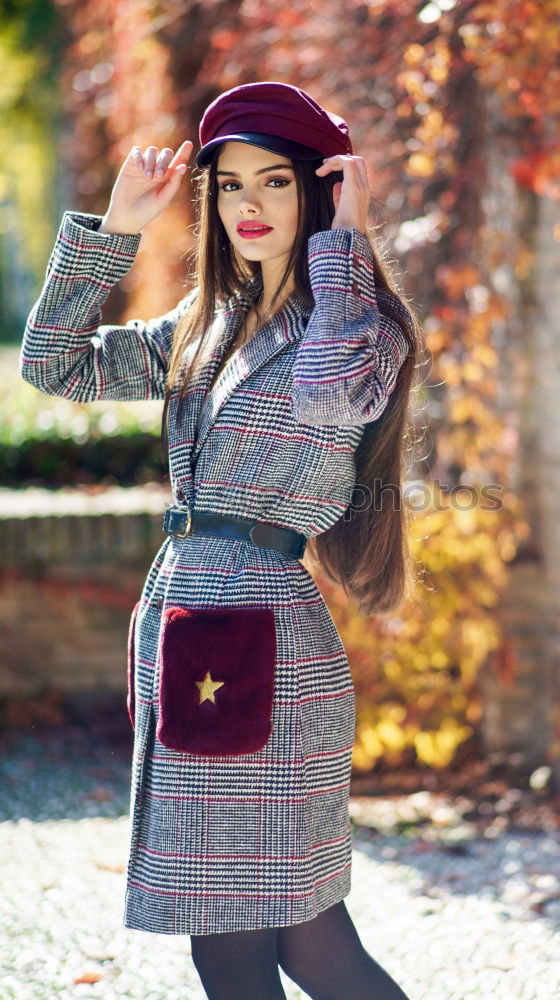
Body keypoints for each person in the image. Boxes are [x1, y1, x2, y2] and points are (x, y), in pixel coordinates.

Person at [20, 81, 422, 1000]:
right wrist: (113, 230)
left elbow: (326, 393)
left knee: (299, 943)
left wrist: (346, 247)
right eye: (231, 184)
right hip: (194, 628)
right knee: (235, 942)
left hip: (267, 646)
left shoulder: (361, 324)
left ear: (319, 192)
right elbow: (54, 364)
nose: (249, 203)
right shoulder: (206, 322)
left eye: (276, 182)